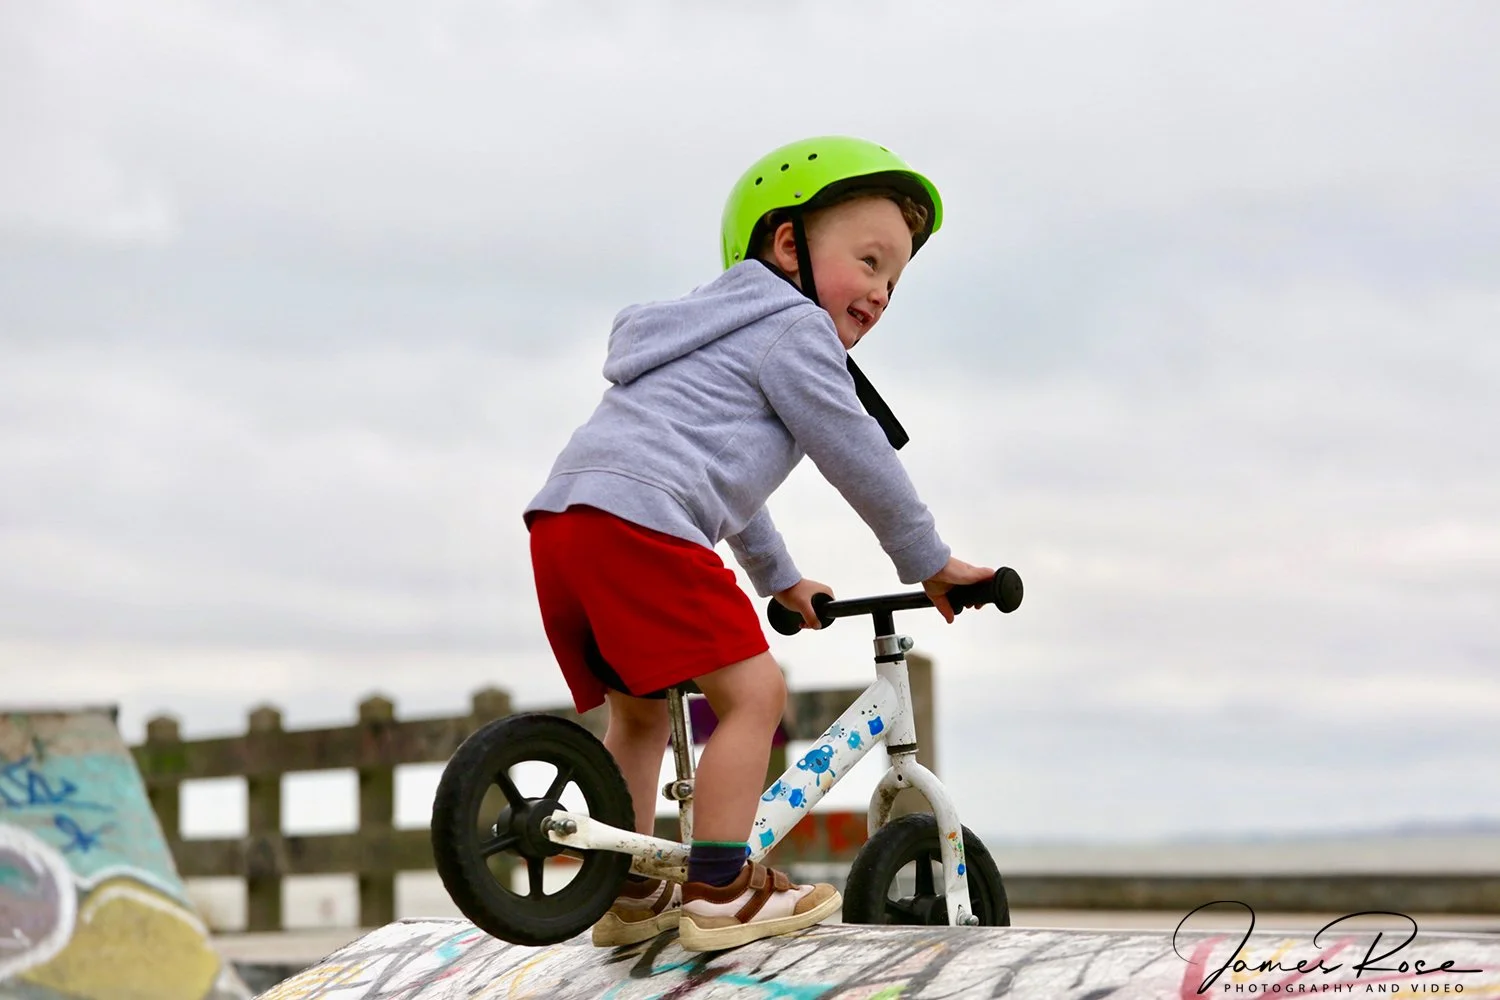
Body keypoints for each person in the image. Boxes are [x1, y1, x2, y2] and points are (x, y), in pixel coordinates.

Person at [524, 135, 993, 952]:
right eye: (871, 261)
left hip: (567, 523)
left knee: (637, 717)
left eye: (896, 279)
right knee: (756, 694)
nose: (882, 293)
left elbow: (725, 485)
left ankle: (630, 893)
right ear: (788, 245)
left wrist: (779, 577)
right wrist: (930, 563)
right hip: (645, 524)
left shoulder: (705, 336)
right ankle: (720, 889)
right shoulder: (793, 331)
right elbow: (859, 454)